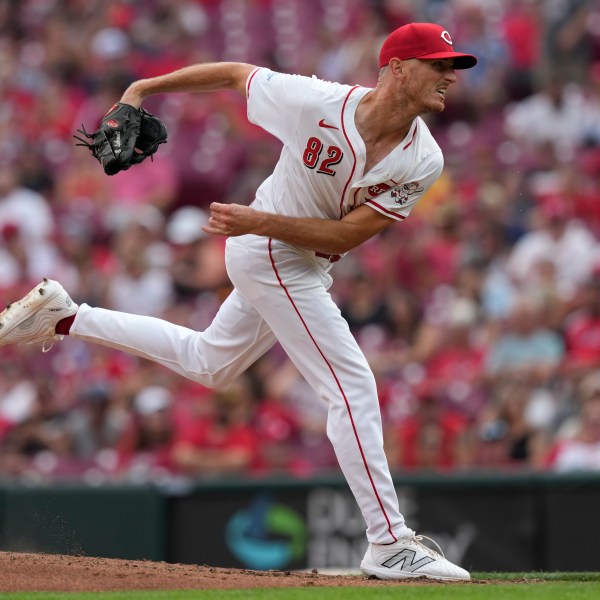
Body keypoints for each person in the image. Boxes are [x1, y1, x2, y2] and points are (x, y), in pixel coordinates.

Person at [0, 23, 476, 580]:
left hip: (288, 251)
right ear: (397, 67)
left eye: (451, 67)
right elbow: (233, 74)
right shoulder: (315, 103)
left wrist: (255, 219)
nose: (448, 76)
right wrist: (141, 89)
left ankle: (67, 316)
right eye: (438, 64)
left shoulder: (425, 159)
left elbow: (345, 237)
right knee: (352, 387)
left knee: (209, 363)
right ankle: (389, 540)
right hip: (269, 256)